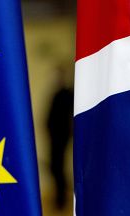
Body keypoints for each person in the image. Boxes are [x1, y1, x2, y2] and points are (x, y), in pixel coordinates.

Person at [47, 66, 74, 209]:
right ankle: (60, 198)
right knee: (54, 167)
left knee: (58, 167)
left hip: (61, 137)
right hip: (54, 136)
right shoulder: (56, 93)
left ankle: (61, 200)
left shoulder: (67, 94)